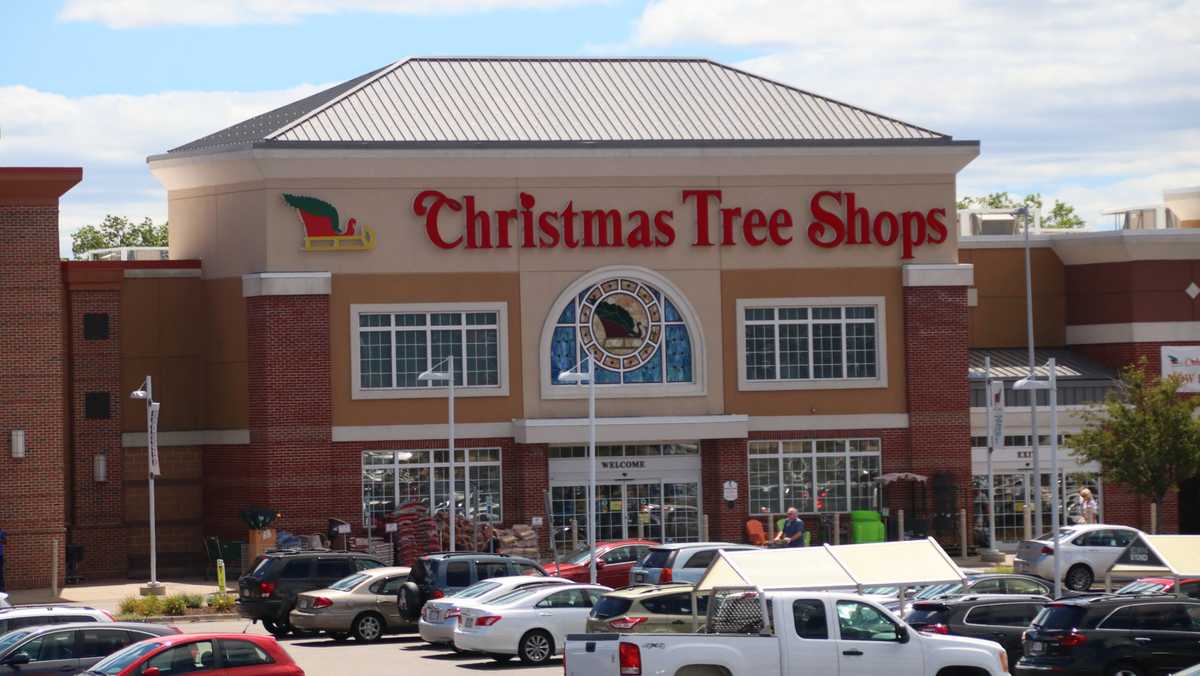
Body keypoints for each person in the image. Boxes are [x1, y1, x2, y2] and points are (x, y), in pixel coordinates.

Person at [0, 528, 6, 592]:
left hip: (0, 556)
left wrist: (1, 540)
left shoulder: (2, 532)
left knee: (0, 573)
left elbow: (5, 541)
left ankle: (2, 590)